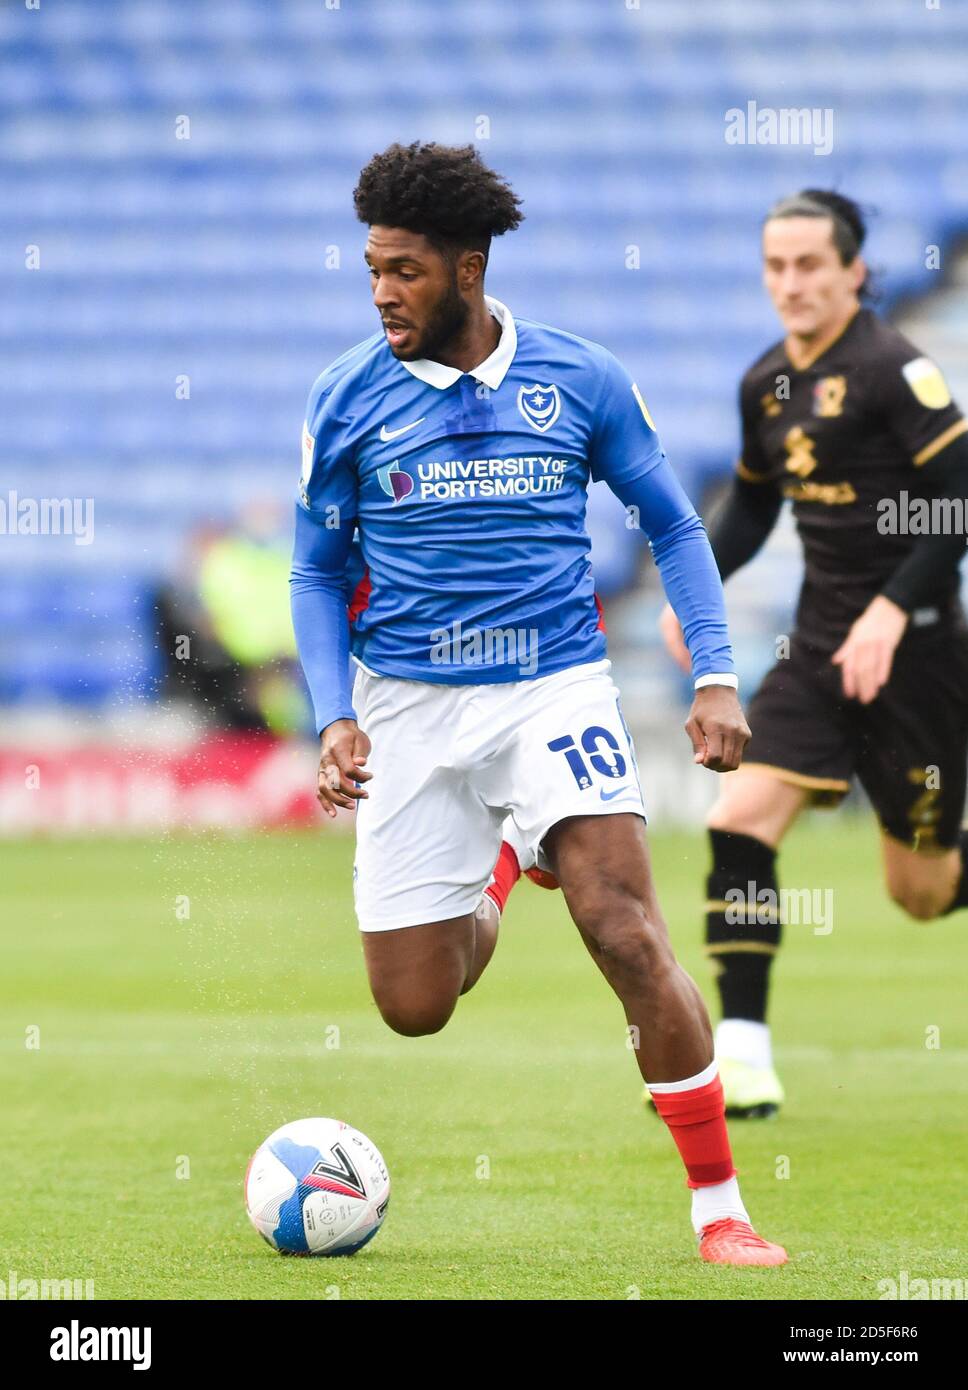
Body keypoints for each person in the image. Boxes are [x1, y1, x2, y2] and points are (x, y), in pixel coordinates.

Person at [291, 141, 786, 1264]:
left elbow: (671, 521)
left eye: (403, 271)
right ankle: (510, 856)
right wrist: (333, 715)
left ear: (467, 269)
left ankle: (719, 1211)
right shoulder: (345, 397)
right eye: (370, 269)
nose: (380, 293)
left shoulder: (580, 378)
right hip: (406, 702)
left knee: (621, 926)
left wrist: (712, 669)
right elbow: (316, 570)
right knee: (415, 1003)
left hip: (550, 685)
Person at [659, 190, 968, 1117]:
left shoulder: (893, 369)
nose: (790, 284)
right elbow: (754, 505)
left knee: (920, 889)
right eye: (776, 267)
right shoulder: (766, 384)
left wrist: (890, 611)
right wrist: (695, 592)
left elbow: (957, 503)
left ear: (854, 273)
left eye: (809, 266)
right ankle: (744, 1058)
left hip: (913, 658)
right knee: (738, 818)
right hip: (818, 650)